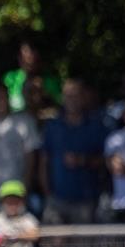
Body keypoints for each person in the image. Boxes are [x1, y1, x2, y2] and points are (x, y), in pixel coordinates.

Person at [39, 79, 106, 224]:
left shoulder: (96, 126)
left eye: (75, 95)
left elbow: (106, 160)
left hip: (86, 200)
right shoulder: (53, 126)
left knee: (83, 246)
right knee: (52, 245)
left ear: (83, 97)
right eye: (68, 96)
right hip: (56, 199)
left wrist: (83, 160)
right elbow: (44, 161)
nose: (72, 100)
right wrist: (47, 193)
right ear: (62, 98)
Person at [0, 82, 41, 207]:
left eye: (2, 97)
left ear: (8, 98)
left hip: (16, 190)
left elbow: (31, 157)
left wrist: (26, 184)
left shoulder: (24, 121)